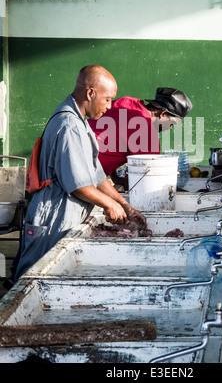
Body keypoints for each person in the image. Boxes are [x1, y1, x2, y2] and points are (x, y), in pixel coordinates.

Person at [14, 65, 146, 281]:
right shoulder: (70, 125)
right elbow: (79, 186)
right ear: (90, 93)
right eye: (107, 99)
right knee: (33, 278)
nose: (109, 106)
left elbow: (97, 176)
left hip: (65, 213)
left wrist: (125, 206)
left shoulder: (80, 123)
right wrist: (109, 205)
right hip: (53, 214)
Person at [88, 87, 193, 188]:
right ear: (163, 114)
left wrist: (115, 178)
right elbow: (155, 183)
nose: (170, 128)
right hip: (85, 177)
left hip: (77, 155)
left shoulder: (127, 101)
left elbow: (106, 141)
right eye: (172, 123)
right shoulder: (147, 135)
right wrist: (188, 192)